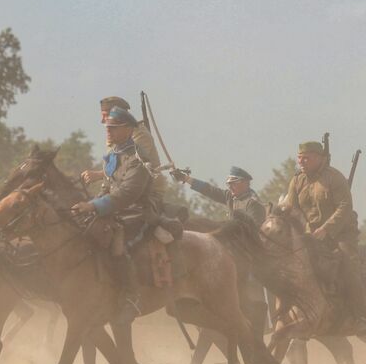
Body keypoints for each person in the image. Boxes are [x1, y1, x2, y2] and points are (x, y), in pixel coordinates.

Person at [70, 105, 160, 324]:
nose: (108, 131)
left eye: (114, 127)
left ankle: (132, 297)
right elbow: (107, 188)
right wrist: (89, 205)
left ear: (129, 129)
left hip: (137, 211)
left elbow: (128, 194)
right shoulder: (113, 155)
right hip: (115, 209)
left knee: (119, 244)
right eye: (108, 127)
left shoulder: (139, 158)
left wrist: (94, 206)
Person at [283, 140, 366, 333]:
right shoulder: (297, 180)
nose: (302, 162)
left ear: (319, 158)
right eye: (299, 158)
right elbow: (292, 208)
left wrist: (326, 229)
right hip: (309, 235)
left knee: (348, 264)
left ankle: (360, 317)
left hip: (340, 233)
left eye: (306, 158)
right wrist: (301, 227)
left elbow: (344, 207)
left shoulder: (334, 178)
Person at [174, 165, 269, 330]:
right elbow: (209, 190)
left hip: (250, 250)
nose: (230, 187)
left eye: (234, 183)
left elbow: (252, 231)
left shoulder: (254, 204)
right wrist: (186, 179)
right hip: (234, 246)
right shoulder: (231, 197)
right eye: (228, 184)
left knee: (251, 276)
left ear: (245, 183)